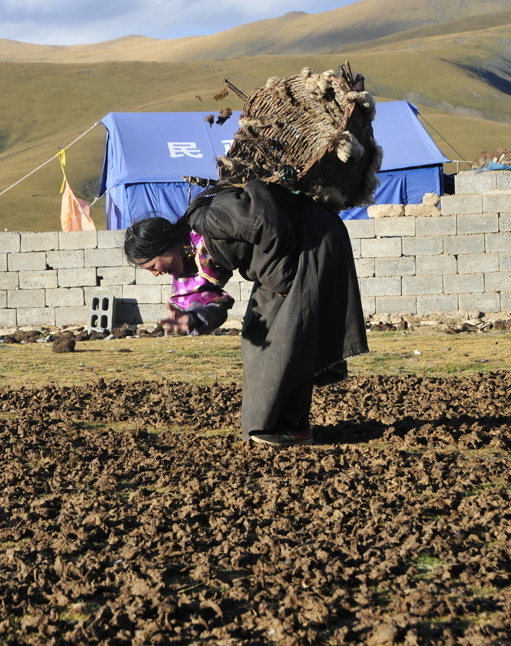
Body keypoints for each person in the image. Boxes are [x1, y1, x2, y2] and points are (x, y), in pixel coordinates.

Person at [124, 179, 368, 448]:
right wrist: (192, 319)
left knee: (285, 337)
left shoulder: (209, 219)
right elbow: (216, 306)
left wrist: (279, 277)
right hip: (290, 258)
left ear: (163, 245)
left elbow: (269, 222)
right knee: (259, 331)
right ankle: (282, 426)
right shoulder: (191, 263)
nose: (156, 273)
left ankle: (284, 428)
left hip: (313, 241)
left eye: (152, 266)